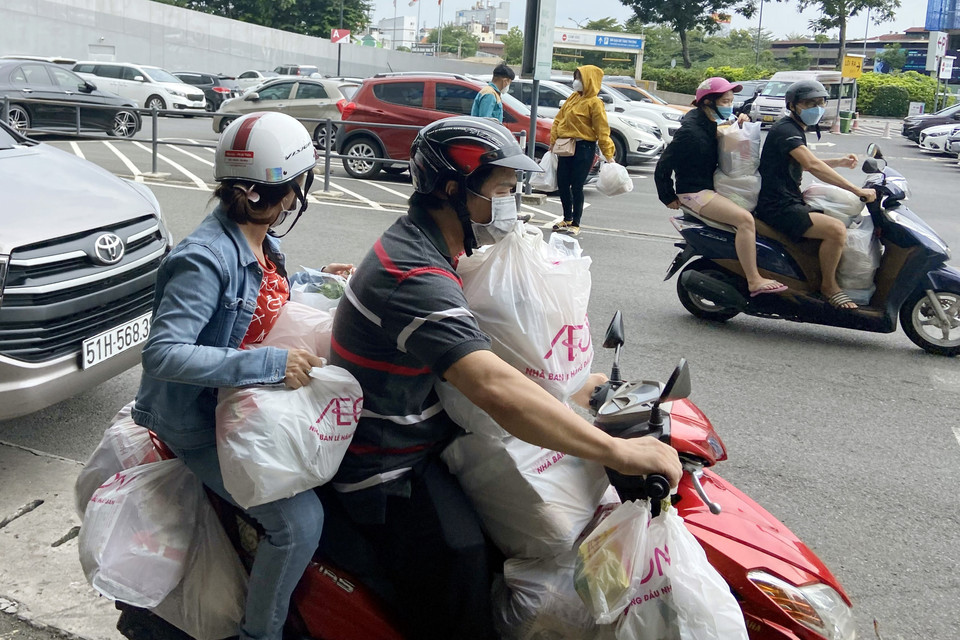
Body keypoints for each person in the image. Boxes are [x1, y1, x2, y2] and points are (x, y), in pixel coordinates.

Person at [327, 116, 682, 639]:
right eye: (502, 189)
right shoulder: (414, 275)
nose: (512, 202)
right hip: (390, 466)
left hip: (432, 433)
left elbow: (501, 356)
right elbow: (492, 386)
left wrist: (569, 384)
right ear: (453, 189)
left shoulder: (439, 252)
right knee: (463, 555)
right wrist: (619, 453)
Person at [130, 112, 352, 640]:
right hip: (196, 421)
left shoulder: (258, 237)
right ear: (295, 186)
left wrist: (317, 280)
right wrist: (270, 365)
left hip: (238, 401)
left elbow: (257, 298)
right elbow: (163, 353)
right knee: (299, 525)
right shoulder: (204, 259)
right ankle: (261, 633)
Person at [655, 77, 786, 296]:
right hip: (694, 192)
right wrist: (667, 196)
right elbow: (663, 164)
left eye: (731, 101)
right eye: (725, 101)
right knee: (745, 221)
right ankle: (754, 280)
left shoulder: (711, 123)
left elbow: (739, 154)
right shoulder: (691, 131)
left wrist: (739, 127)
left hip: (712, 187)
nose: (730, 106)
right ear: (708, 102)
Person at [755, 80, 877, 310]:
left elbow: (804, 163)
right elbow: (811, 164)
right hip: (777, 205)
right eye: (810, 103)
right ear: (793, 106)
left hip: (788, 199)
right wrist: (857, 190)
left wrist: (839, 162)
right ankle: (829, 286)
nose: (817, 108)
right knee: (836, 230)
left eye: (820, 102)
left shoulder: (794, 128)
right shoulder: (785, 130)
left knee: (841, 219)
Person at [549, 65, 615, 237]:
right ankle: (567, 218)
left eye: (580, 78)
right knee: (562, 182)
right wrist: (553, 139)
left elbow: (602, 130)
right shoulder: (573, 98)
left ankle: (576, 222)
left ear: (589, 80)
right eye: (575, 77)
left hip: (584, 147)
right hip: (566, 145)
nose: (576, 81)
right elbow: (558, 119)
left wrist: (609, 154)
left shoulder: (595, 103)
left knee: (577, 185)